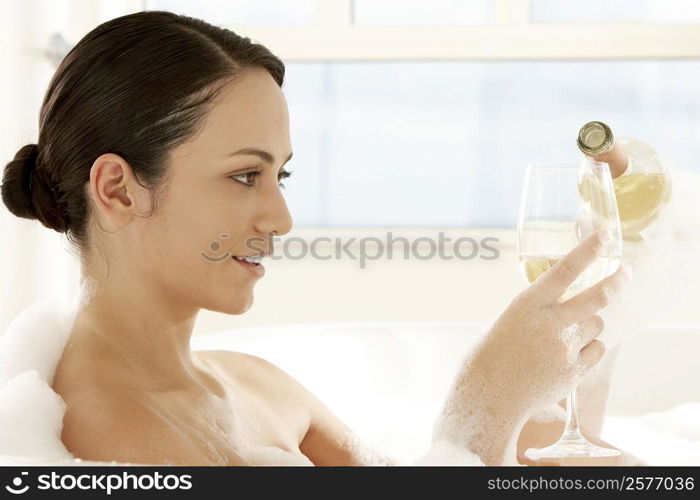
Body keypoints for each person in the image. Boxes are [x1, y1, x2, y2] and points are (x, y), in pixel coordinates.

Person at [0, 10, 640, 466]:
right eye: (245, 175)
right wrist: (483, 407)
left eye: (281, 175)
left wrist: (575, 355)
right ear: (117, 190)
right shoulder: (110, 444)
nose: (280, 217)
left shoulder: (254, 386)